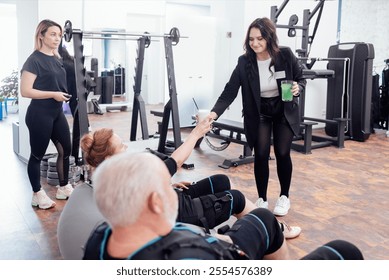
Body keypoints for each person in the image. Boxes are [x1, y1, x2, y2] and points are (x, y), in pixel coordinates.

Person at [58, 122, 300, 259]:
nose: (127, 147)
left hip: (172, 201)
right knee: (249, 207)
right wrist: (196, 134)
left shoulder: (101, 232)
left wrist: (167, 184)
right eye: (122, 146)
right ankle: (274, 231)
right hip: (181, 213)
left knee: (222, 180)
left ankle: (267, 230)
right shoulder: (181, 248)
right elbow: (173, 162)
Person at [83, 152, 363, 260]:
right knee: (344, 251)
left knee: (264, 218)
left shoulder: (100, 238)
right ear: (156, 203)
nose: (173, 191)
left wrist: (217, 238)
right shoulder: (190, 258)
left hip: (216, 244)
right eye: (166, 187)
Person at [208, 18, 307, 216]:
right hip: (259, 111)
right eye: (251, 39)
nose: (255, 43)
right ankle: (261, 199)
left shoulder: (285, 55)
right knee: (260, 154)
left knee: (282, 153)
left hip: (283, 109)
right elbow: (230, 90)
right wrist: (213, 113)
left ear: (269, 38)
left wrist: (298, 88)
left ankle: (284, 197)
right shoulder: (245, 62)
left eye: (260, 39)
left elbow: (300, 79)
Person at [20, 19, 73, 210]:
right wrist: (53, 94)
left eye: (59, 35)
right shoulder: (33, 60)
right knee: (37, 155)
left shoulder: (56, 59)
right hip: (39, 114)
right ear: (41, 35)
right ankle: (37, 194)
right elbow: (25, 91)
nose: (57, 38)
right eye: (53, 34)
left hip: (56, 113)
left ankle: (64, 187)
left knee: (65, 150)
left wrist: (64, 95)